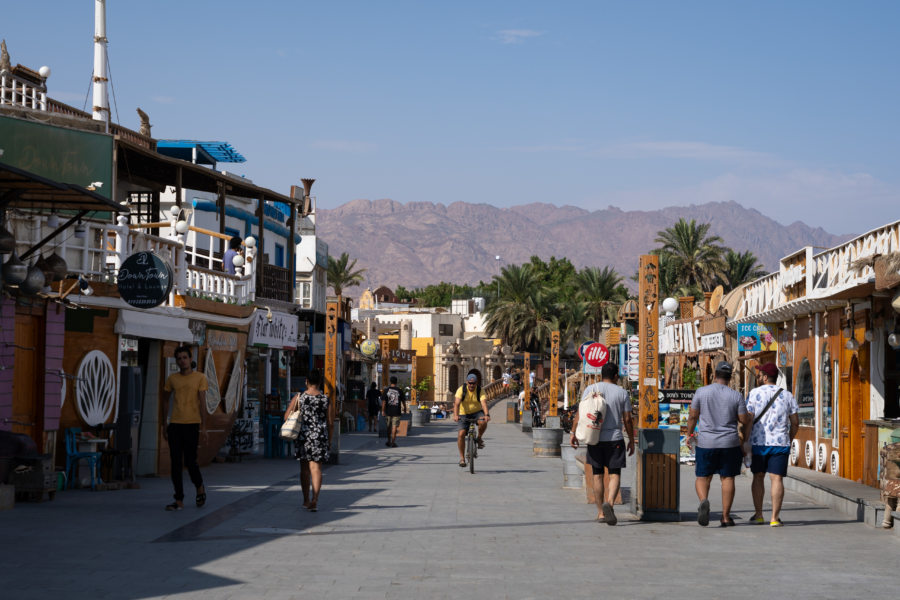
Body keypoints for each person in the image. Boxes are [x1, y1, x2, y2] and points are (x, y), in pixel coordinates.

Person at [685, 361, 752, 527]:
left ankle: (703, 500)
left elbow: (693, 416)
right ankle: (725, 517)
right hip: (730, 443)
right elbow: (743, 420)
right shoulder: (735, 395)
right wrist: (749, 416)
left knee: (703, 476)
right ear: (729, 378)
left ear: (714, 375)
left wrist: (688, 434)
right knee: (727, 478)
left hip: (706, 442)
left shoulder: (701, 392)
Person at [569, 362, 635, 526]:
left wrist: (573, 432)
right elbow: (627, 418)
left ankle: (600, 513)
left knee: (597, 475)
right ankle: (610, 504)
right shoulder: (621, 393)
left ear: (601, 375)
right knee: (614, 474)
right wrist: (632, 440)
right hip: (615, 439)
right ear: (615, 376)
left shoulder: (590, 389)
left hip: (594, 437)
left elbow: (581, 413)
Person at [746, 362, 799, 527]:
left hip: (758, 443)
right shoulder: (787, 395)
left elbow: (748, 419)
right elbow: (795, 422)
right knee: (777, 479)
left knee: (758, 477)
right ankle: (775, 518)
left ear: (765, 377)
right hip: (780, 443)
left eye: (760, 374)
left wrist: (745, 440)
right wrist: (788, 437)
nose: (758, 377)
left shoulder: (754, 393)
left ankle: (759, 514)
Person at [162, 345, 208, 511]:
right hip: (175, 424)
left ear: (190, 359)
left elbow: (203, 402)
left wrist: (204, 426)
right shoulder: (172, 379)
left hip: (192, 424)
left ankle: (199, 487)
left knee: (190, 461)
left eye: (185, 357)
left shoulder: (200, 378)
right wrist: (163, 423)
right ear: (177, 361)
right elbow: (166, 400)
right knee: (175, 463)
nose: (182, 361)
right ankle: (179, 499)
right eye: (179, 358)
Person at [283, 369, 330, 512]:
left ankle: (306, 500)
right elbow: (330, 422)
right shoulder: (325, 399)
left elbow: (286, 417)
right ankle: (315, 499)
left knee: (304, 469)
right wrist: (329, 440)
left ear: (306, 381)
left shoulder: (299, 397)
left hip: (303, 436)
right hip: (319, 436)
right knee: (316, 468)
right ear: (320, 382)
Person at [453, 371, 490, 468]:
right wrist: (456, 415)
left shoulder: (480, 390)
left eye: (473, 383)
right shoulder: (461, 389)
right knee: (461, 434)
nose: (471, 385)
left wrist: (487, 414)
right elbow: (456, 404)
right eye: (470, 383)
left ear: (477, 383)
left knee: (483, 422)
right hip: (463, 413)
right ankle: (462, 458)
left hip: (476, 412)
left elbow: (484, 404)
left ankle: (479, 438)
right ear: (467, 382)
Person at [382, 376, 406, 448]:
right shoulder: (399, 390)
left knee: (388, 427)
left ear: (390, 382)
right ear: (396, 382)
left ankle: (389, 441)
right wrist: (404, 408)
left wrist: (383, 410)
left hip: (388, 411)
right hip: (396, 411)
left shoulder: (386, 390)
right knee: (394, 426)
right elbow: (403, 401)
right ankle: (393, 442)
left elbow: (384, 402)